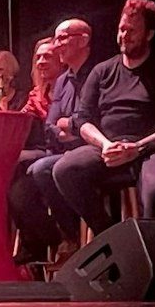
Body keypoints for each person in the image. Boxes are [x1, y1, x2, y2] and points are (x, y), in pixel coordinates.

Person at [51, 0, 155, 231]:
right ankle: (110, 235)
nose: (124, 35)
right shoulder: (103, 71)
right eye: (122, 29)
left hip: (147, 150)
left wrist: (138, 147)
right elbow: (83, 119)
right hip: (107, 148)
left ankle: (148, 249)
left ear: (149, 35)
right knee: (64, 170)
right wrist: (105, 145)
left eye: (132, 31)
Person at [11, 17, 95, 266]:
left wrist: (69, 127)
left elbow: (81, 120)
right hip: (53, 148)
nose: (42, 61)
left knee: (39, 167)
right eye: (38, 57)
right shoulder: (43, 90)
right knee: (13, 177)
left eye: (48, 55)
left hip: (67, 151)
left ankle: (67, 237)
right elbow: (49, 123)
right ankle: (43, 240)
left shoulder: (90, 76)